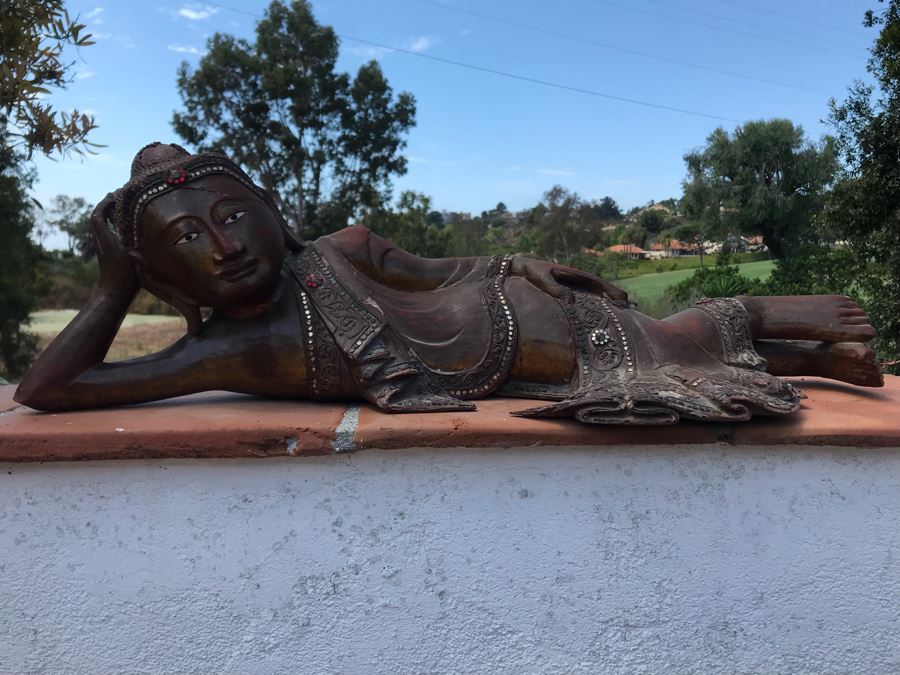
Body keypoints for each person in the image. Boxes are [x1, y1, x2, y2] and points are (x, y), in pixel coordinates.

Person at [14, 143, 883, 424]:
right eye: (184, 242)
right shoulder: (231, 349)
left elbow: (446, 268)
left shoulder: (342, 247)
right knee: (677, 353)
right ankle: (805, 349)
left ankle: (773, 317)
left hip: (523, 314)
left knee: (677, 342)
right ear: (163, 274)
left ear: (269, 212)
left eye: (232, 216)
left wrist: (519, 261)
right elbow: (50, 388)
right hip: (529, 351)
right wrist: (114, 288)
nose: (222, 247)